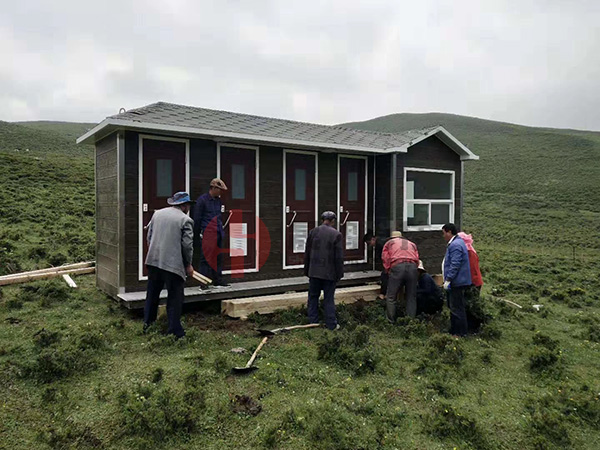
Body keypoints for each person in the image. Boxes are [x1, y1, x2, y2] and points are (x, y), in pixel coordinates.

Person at [143, 192, 195, 339]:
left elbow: (149, 237)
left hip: (153, 261)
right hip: (173, 265)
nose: (189, 208)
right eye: (188, 205)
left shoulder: (157, 214)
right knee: (175, 298)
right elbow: (187, 246)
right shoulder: (186, 220)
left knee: (152, 295)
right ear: (184, 205)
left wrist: (155, 253)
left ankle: (148, 325)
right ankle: (174, 331)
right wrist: (188, 265)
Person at [303, 211, 344, 330]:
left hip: (314, 271)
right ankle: (331, 324)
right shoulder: (336, 234)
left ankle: (313, 322)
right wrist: (339, 274)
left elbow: (307, 253)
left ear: (322, 220)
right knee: (328, 298)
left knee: (313, 297)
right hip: (329, 273)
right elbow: (338, 257)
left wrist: (307, 270)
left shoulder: (313, 232)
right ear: (333, 221)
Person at [192, 178, 228, 287]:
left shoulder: (218, 201)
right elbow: (197, 218)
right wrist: (196, 234)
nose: (220, 192)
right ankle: (203, 282)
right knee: (205, 258)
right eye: (219, 190)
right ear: (213, 188)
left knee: (218, 257)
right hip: (207, 233)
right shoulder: (202, 200)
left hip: (218, 232)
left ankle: (218, 280)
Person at [382, 231, 420, 322]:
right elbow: (417, 259)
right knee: (411, 297)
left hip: (397, 265)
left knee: (391, 297)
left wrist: (388, 271)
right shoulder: (412, 244)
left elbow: (385, 258)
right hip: (412, 267)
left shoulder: (389, 244)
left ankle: (391, 321)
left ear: (391, 238)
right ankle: (411, 322)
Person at [442, 223, 472, 337]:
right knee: (454, 306)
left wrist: (449, 279)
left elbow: (455, 264)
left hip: (457, 282)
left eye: (444, 233)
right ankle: (454, 330)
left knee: (456, 307)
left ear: (449, 232)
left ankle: (460, 333)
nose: (443, 236)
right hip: (458, 281)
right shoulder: (458, 243)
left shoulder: (455, 245)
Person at [458, 231, 484, 332]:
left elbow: (470, 269)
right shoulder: (471, 250)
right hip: (475, 281)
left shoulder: (468, 252)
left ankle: (473, 328)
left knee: (471, 305)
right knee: (470, 304)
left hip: (472, 282)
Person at [363, 230, 389, 300]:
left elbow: (384, 255)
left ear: (373, 239)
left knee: (385, 275)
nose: (370, 245)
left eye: (369, 243)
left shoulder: (380, 244)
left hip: (391, 262)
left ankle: (383, 294)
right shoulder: (383, 240)